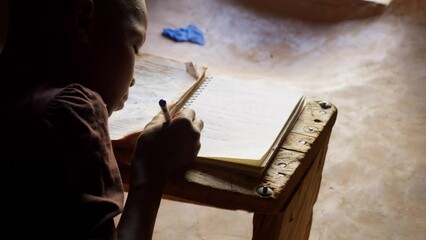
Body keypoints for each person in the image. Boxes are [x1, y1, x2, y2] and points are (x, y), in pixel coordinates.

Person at [0, 0, 203, 239]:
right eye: (135, 46)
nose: (133, 79)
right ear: (84, 21)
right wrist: (151, 169)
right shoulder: (70, 113)